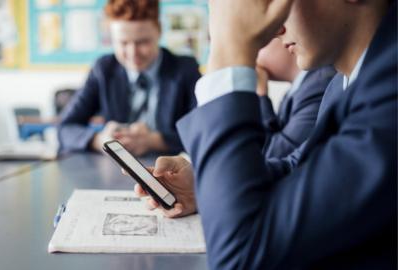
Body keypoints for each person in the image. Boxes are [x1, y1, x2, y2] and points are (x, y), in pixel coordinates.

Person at [133, 0, 397, 269]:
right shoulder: (345, 84)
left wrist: (231, 48)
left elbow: (240, 258)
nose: (275, 30)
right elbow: (299, 168)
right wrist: (204, 184)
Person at [58, 0, 201, 156]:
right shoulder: (104, 69)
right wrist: (100, 140)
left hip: (170, 172)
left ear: (159, 31)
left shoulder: (185, 69)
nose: (133, 53)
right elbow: (65, 128)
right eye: (123, 43)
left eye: (143, 42)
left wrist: (154, 140)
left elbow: (203, 132)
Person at [256, 38, 335, 158]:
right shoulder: (293, 94)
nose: (252, 60)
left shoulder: (320, 85)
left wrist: (260, 96)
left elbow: (270, 156)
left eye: (257, 45)